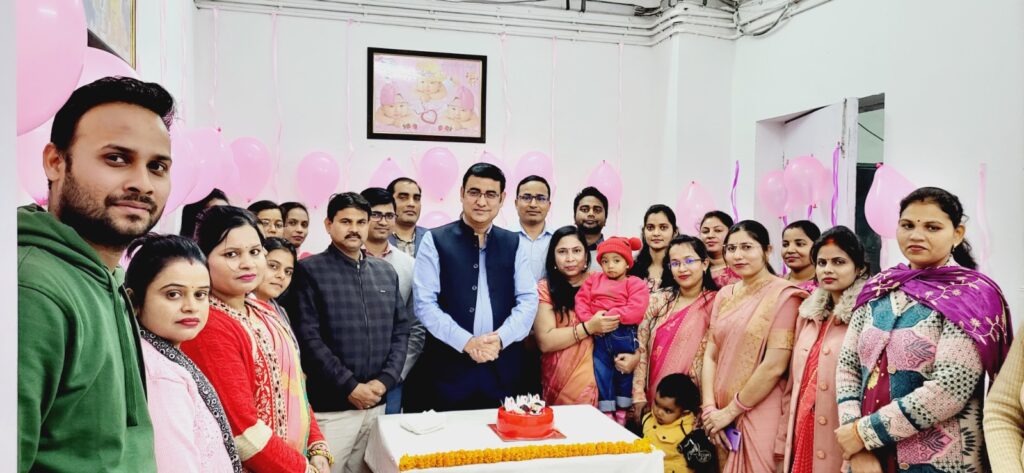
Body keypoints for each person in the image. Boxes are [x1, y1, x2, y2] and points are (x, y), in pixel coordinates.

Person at [18, 77, 175, 472]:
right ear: (56, 162)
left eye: (157, 167)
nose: (142, 184)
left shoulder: (108, 279)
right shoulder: (30, 289)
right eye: (117, 158)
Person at [835, 187, 1012, 473]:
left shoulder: (972, 295)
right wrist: (855, 447)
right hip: (867, 459)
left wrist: (862, 434)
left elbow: (951, 387)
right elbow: (848, 367)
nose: (916, 235)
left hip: (941, 462)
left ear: (957, 233)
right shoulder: (879, 288)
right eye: (908, 225)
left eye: (932, 227)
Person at [181, 206, 331, 473]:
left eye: (255, 251)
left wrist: (316, 445)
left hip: (291, 461)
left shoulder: (263, 310)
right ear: (203, 258)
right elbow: (241, 432)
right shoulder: (209, 325)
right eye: (231, 254)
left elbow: (294, 387)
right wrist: (303, 469)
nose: (248, 263)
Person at [287, 192, 409, 472]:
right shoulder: (309, 271)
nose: (354, 229)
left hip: (377, 404)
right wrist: (350, 387)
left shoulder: (385, 272)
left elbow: (401, 331)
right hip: (332, 409)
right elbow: (308, 338)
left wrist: (385, 381)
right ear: (329, 224)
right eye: (346, 221)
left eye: (361, 222)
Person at [406, 163, 539, 412]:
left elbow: (528, 300)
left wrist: (500, 339)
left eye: (490, 194)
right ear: (461, 193)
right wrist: (467, 342)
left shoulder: (513, 243)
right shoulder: (434, 240)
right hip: (447, 373)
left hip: (502, 371)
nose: (481, 201)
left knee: (499, 436)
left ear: (502, 199)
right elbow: (424, 304)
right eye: (474, 192)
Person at [125, 234, 242, 473]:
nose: (191, 307)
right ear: (134, 300)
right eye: (173, 294)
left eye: (200, 294)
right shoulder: (160, 376)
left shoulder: (159, 355)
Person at [700, 220, 807, 473]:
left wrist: (731, 411)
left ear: (767, 250)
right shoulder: (725, 295)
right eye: (731, 248)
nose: (738, 255)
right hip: (718, 413)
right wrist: (709, 409)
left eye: (747, 247)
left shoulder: (784, 296)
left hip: (760, 410)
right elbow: (711, 354)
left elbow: (774, 366)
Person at [780, 226, 867, 473]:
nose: (828, 269)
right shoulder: (808, 314)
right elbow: (792, 385)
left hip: (842, 434)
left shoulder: (867, 315)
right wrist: (781, 442)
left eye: (839, 262)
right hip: (803, 429)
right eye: (822, 263)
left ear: (859, 268)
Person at [633, 235, 718, 422]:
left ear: (704, 264)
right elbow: (640, 347)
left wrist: (707, 406)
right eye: (675, 263)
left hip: (695, 403)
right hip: (655, 398)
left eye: (689, 261)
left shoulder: (718, 303)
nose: (682, 268)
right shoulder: (658, 300)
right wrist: (638, 394)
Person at [533, 226, 621, 406]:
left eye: (577, 251)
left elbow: (624, 323)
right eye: (562, 252)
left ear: (586, 255)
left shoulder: (601, 282)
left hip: (603, 373)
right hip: (560, 379)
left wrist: (634, 354)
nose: (570, 258)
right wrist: (589, 328)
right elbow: (545, 341)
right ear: (553, 257)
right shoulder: (545, 288)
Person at [359, 187, 423, 415]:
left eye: (389, 216)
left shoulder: (410, 266)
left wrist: (394, 375)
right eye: (376, 215)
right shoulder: (342, 260)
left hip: (392, 378)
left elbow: (416, 328)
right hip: (348, 381)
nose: (383, 222)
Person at [575, 237, 649, 424]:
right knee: (602, 372)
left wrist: (610, 315)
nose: (610, 266)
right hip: (599, 335)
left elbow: (637, 309)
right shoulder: (594, 280)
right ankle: (607, 412)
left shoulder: (635, 283)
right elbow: (581, 301)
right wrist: (590, 321)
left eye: (616, 260)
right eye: (605, 261)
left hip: (622, 332)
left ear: (627, 263)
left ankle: (622, 412)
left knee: (623, 374)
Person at [642, 374, 705, 473]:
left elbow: (700, 463)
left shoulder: (689, 432)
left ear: (684, 413)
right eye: (657, 404)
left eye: (667, 410)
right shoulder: (647, 418)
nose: (659, 412)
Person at [511, 175, 554, 282]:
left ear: (549, 205)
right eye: (526, 198)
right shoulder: (503, 238)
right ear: (516, 203)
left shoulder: (558, 240)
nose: (533, 204)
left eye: (541, 198)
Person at [630, 205, 679, 292]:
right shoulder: (631, 268)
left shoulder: (681, 268)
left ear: (675, 232)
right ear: (643, 231)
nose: (656, 233)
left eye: (663, 227)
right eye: (650, 228)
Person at [254, 237, 298, 323]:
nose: (282, 276)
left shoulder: (281, 313)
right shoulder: (237, 309)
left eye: (288, 272)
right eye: (273, 266)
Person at [387, 177, 428, 257]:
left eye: (417, 199)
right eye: (403, 198)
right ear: (389, 202)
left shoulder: (432, 238)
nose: (411, 204)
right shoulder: (378, 237)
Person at [699, 211, 740, 288]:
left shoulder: (742, 267)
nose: (710, 235)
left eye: (718, 230)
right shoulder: (695, 268)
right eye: (705, 231)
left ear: (730, 233)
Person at [573, 186, 608, 271]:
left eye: (597, 210)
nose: (591, 214)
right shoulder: (562, 250)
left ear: (605, 219)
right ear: (574, 216)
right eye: (584, 209)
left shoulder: (614, 253)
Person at [781, 220, 820, 292]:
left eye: (799, 244)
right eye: (785, 245)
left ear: (816, 248)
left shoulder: (825, 287)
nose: (790, 250)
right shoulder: (775, 282)